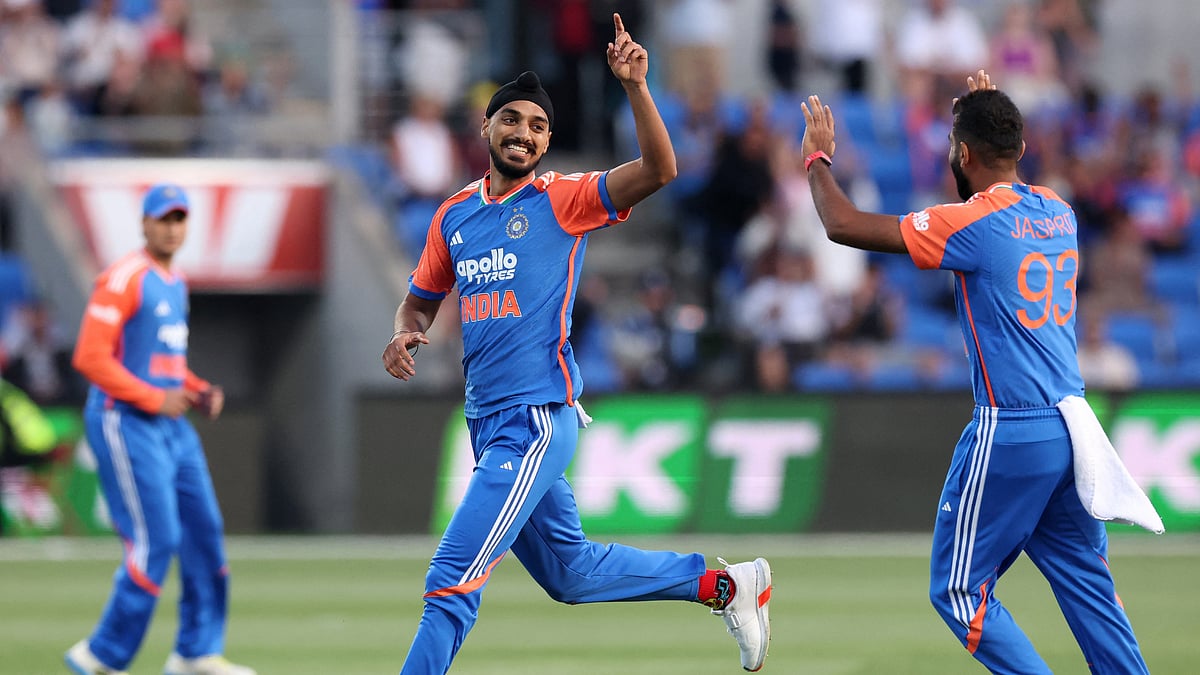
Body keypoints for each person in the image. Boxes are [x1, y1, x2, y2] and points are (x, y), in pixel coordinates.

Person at [381, 14, 771, 674]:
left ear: (547, 141)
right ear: (488, 127)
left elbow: (660, 168)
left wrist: (637, 88)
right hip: (488, 423)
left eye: (537, 126)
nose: (524, 133)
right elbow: (422, 296)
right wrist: (404, 330)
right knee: (572, 572)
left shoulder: (564, 199)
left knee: (451, 581)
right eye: (513, 120)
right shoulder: (454, 216)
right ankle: (728, 585)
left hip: (534, 419)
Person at [799, 71, 1153, 672]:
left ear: (964, 154)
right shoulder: (1059, 213)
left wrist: (817, 158)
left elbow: (843, 225)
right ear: (1019, 147)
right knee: (1088, 585)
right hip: (1074, 429)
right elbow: (990, 192)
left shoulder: (972, 225)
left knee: (959, 590)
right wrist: (981, 115)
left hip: (1012, 427)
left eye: (954, 150)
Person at [65, 184, 255, 675]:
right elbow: (89, 356)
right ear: (144, 224)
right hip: (125, 421)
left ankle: (196, 652)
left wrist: (195, 388)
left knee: (205, 534)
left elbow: (163, 362)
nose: (172, 228)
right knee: (157, 540)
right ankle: (101, 655)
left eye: (179, 219)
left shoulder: (174, 280)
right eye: (163, 219)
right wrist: (155, 398)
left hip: (171, 423)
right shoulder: (123, 277)